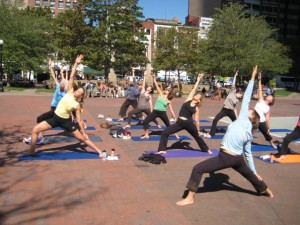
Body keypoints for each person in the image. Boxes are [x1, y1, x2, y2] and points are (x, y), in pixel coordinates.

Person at [176, 65, 273, 206]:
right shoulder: (248, 133)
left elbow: (246, 98)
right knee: (251, 176)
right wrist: (254, 171)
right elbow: (248, 153)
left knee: (197, 169)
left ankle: (190, 198)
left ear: (250, 118)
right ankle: (267, 190)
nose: (248, 109)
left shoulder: (242, 119)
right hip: (237, 159)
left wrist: (252, 78)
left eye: (250, 111)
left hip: (226, 157)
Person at [23, 54, 103, 158]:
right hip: (55, 118)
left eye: (80, 93)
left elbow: (79, 120)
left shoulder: (77, 105)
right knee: (35, 130)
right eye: (78, 90)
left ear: (81, 96)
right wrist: (76, 63)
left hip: (66, 122)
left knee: (82, 139)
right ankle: (32, 151)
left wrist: (83, 132)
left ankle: (99, 151)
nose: (78, 92)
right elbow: (71, 76)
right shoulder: (69, 91)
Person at [157, 74, 211, 154]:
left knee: (197, 136)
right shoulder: (188, 99)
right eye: (196, 94)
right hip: (179, 123)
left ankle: (206, 149)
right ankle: (162, 149)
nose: (196, 95)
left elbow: (196, 120)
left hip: (189, 124)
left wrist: (198, 130)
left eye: (198, 95)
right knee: (165, 132)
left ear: (199, 100)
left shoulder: (196, 108)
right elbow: (194, 89)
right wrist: (198, 80)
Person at [23, 59, 68, 144]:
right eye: (61, 82)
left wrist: (64, 74)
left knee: (40, 119)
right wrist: (50, 66)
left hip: (56, 110)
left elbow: (66, 80)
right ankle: (40, 136)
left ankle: (39, 137)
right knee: (42, 120)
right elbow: (53, 75)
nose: (61, 83)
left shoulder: (65, 93)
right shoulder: (58, 85)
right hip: (53, 109)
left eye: (63, 83)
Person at [206, 70, 243, 138]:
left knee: (236, 123)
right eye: (241, 95)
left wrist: (236, 117)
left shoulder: (237, 100)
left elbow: (235, 108)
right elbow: (233, 83)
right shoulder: (233, 91)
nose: (241, 96)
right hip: (224, 110)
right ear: (238, 93)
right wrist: (235, 75)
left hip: (231, 111)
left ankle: (240, 134)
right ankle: (212, 133)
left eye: (241, 96)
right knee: (215, 120)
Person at [141, 73, 179, 139]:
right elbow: (156, 85)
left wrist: (174, 115)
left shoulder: (169, 100)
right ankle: (146, 134)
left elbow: (171, 109)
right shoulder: (161, 94)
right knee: (145, 122)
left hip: (162, 113)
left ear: (169, 92)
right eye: (167, 89)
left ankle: (176, 134)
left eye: (168, 90)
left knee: (168, 125)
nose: (166, 90)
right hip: (155, 111)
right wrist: (153, 78)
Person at [254, 73, 277, 149]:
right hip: (253, 118)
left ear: (271, 101)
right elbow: (260, 90)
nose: (269, 95)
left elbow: (268, 118)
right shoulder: (261, 100)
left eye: (270, 96)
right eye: (269, 95)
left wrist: (268, 127)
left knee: (266, 134)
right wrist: (259, 80)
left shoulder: (267, 108)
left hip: (261, 121)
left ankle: (272, 143)